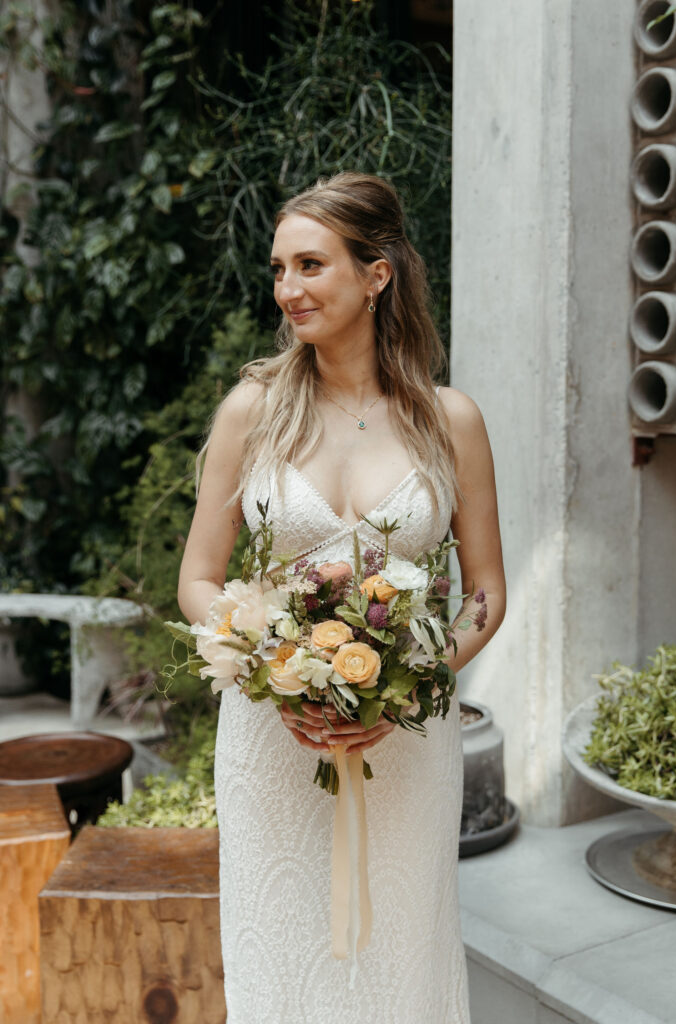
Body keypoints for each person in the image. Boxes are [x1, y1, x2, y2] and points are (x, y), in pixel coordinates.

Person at [177, 172, 506, 1023]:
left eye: (311, 265)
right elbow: (199, 579)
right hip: (273, 735)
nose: (288, 289)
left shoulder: (449, 420)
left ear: (377, 273)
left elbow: (484, 595)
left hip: (408, 734)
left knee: (403, 954)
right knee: (282, 955)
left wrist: (415, 678)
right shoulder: (252, 412)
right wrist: (271, 666)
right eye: (279, 268)